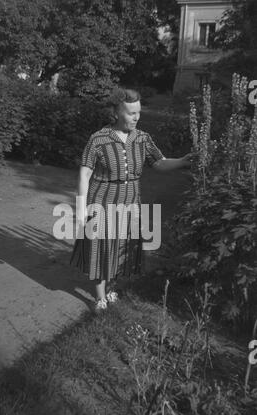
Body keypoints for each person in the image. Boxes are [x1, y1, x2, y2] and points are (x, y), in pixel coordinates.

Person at [70, 88, 194, 311]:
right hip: (102, 202)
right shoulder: (98, 139)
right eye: (130, 113)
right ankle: (100, 298)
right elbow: (84, 174)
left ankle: (111, 289)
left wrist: (184, 161)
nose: (136, 117)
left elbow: (160, 162)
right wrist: (81, 208)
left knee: (123, 248)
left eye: (138, 112)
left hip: (131, 203)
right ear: (116, 112)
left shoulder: (142, 139)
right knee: (103, 248)